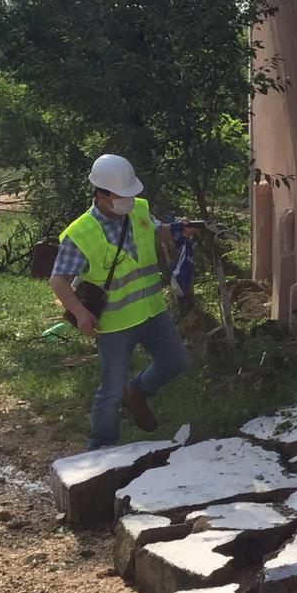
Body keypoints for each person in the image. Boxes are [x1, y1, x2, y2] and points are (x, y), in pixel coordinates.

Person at [50, 154, 190, 449]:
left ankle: (137, 392)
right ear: (100, 195)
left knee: (177, 361)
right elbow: (58, 280)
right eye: (120, 195)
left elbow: (155, 231)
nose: (128, 200)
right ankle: (101, 447)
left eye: (131, 194)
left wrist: (175, 231)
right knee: (110, 390)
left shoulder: (139, 210)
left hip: (152, 311)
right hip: (114, 323)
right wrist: (80, 313)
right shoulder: (80, 233)